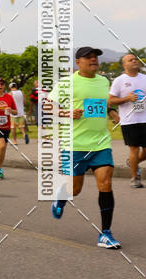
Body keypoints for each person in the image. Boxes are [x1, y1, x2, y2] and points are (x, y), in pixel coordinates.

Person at [49, 47, 121, 248]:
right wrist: (66, 113)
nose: (94, 59)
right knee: (75, 189)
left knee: (105, 183)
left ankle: (105, 233)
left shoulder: (103, 81)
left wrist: (112, 112)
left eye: (96, 56)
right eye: (89, 57)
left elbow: (101, 103)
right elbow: (48, 105)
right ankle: (61, 198)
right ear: (78, 62)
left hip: (101, 143)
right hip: (74, 145)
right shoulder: (67, 83)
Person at [109, 53, 146, 188]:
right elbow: (110, 100)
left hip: (145, 119)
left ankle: (133, 163)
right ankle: (134, 178)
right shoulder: (119, 80)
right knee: (134, 149)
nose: (134, 61)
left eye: (135, 59)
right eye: (131, 60)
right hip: (129, 120)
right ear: (125, 65)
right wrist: (127, 99)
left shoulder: (144, 78)